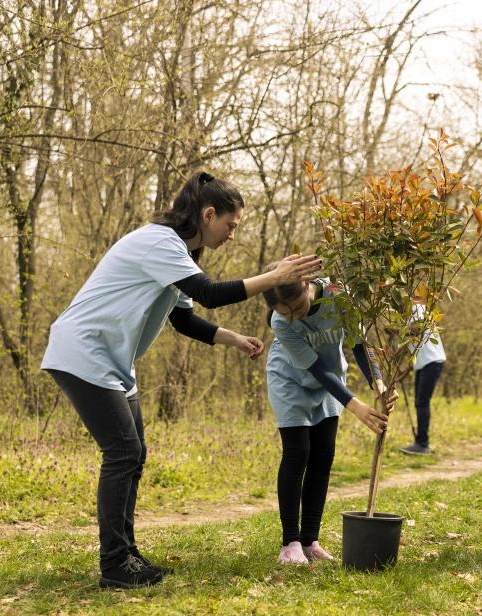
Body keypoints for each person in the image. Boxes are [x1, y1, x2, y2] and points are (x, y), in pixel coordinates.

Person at [41, 172, 321, 588]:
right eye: (231, 225)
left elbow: (184, 317)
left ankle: (126, 554)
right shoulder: (159, 242)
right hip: (84, 350)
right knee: (122, 452)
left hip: (112, 360)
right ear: (209, 214)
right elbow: (210, 293)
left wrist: (232, 339)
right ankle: (115, 564)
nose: (231, 235)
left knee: (133, 454)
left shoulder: (179, 255)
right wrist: (275, 277)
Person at [263, 272, 395, 565]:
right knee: (299, 454)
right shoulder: (280, 322)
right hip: (291, 380)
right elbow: (315, 368)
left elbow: (359, 343)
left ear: (307, 285)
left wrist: (378, 382)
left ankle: (310, 541)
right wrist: (354, 405)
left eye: (298, 307)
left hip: (332, 380)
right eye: (287, 313)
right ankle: (290, 542)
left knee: (323, 457)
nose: (295, 317)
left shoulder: (340, 297)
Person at [399, 299, 446, 455]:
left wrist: (397, 330)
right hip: (423, 363)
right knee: (419, 402)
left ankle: (423, 444)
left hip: (432, 360)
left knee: (422, 402)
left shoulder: (417, 308)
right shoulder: (406, 314)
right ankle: (421, 442)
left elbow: (416, 330)